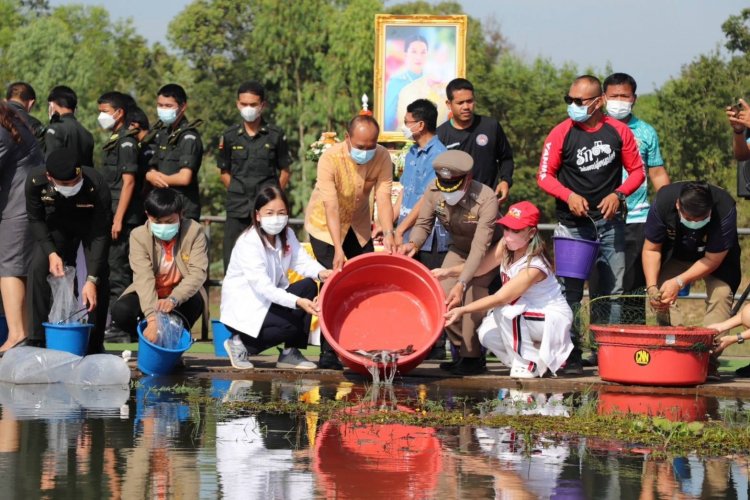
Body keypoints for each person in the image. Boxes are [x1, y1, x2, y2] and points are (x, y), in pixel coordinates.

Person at [537, 74, 645, 374]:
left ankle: (606, 353)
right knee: (569, 292)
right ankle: (570, 353)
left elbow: (637, 172)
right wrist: (568, 194)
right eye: (568, 100)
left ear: (598, 102)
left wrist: (619, 194)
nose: (572, 105)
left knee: (613, 290)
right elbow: (544, 176)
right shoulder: (561, 133)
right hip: (573, 227)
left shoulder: (619, 132)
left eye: (579, 101)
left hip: (611, 224)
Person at [441, 201, 573, 378]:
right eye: (507, 228)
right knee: (487, 334)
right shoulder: (506, 245)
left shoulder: (535, 264)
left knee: (505, 310)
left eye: (516, 230)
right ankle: (534, 362)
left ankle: (528, 364)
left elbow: (501, 297)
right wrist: (447, 272)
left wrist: (462, 310)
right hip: (528, 315)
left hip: (550, 317)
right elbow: (480, 268)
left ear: (531, 232)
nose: (509, 235)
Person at [304, 114, 395, 369]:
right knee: (333, 283)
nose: (366, 151)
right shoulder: (329, 158)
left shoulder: (382, 156)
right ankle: (328, 353)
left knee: (361, 284)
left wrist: (388, 232)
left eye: (371, 145)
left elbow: (384, 196)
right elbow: (331, 206)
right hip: (325, 228)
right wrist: (338, 248)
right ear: (347, 138)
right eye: (360, 146)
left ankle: (358, 347)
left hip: (359, 226)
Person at [399, 150, 500, 376]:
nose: (448, 192)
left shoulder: (486, 197)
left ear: (468, 179)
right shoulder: (434, 190)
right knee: (442, 298)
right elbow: (424, 223)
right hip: (459, 249)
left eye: (454, 185)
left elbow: (479, 248)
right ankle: (460, 350)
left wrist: (462, 282)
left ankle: (473, 358)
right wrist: (413, 245)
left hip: (489, 252)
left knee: (473, 293)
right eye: (444, 184)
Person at [221, 186, 332, 370]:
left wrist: (322, 273)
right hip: (248, 308)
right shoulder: (249, 243)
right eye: (269, 213)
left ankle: (290, 353)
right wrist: (297, 302)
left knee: (309, 286)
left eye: (281, 213)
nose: (276, 218)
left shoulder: (287, 234)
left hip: (270, 301)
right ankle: (240, 343)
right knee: (291, 326)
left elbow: (301, 261)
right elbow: (264, 288)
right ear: (258, 215)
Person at [25, 148, 111, 353]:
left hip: (90, 225)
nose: (72, 186)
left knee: (100, 273)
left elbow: (101, 234)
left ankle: (94, 343)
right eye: (65, 184)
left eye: (75, 181)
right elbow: (35, 219)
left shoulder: (96, 184)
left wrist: (91, 279)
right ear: (49, 177)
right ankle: (37, 339)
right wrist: (51, 252)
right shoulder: (36, 181)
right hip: (58, 224)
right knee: (38, 266)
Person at [601, 72, 670, 327]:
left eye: (624, 96)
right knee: (602, 285)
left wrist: (668, 211)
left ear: (634, 99)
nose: (619, 100)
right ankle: (598, 346)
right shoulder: (593, 128)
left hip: (637, 218)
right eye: (614, 96)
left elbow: (657, 172)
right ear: (602, 98)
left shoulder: (645, 132)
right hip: (599, 218)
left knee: (632, 287)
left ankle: (631, 344)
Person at [110, 188, 207, 343]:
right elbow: (143, 277)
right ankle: (147, 338)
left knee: (194, 303)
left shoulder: (194, 232)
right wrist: (152, 318)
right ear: (148, 215)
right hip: (150, 294)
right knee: (121, 311)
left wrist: (173, 299)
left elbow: (197, 273)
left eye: (169, 222)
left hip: (180, 297)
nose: (163, 227)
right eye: (157, 222)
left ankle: (172, 341)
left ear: (181, 214)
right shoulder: (139, 236)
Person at [642, 181, 740, 332]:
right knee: (662, 291)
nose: (695, 223)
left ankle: (709, 346)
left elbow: (712, 260)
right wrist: (652, 287)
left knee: (722, 294)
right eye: (689, 218)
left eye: (701, 219)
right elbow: (651, 250)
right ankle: (674, 338)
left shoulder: (724, 208)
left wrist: (680, 281)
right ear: (677, 205)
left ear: (710, 211)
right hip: (676, 253)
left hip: (714, 258)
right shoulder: (663, 201)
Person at [393, 98, 449, 359]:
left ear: (421, 124)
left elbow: (428, 198)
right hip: (406, 233)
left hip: (430, 236)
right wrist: (390, 224)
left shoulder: (439, 155)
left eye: (407, 123)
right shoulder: (413, 151)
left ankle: (435, 345)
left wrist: (402, 225)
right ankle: (414, 340)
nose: (405, 127)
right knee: (410, 287)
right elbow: (404, 191)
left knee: (432, 289)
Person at [218, 81, 293, 270]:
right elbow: (224, 172)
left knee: (269, 259)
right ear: (237, 104)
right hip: (238, 206)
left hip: (267, 211)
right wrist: (237, 190)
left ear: (262, 105)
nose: (248, 108)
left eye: (253, 104)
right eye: (244, 104)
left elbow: (285, 171)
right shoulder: (230, 136)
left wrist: (273, 198)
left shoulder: (275, 135)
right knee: (233, 259)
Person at [97, 92, 147, 328]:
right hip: (112, 213)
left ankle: (120, 326)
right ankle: (113, 323)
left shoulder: (126, 141)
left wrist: (118, 219)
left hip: (123, 218)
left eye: (105, 111)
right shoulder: (116, 139)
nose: (101, 115)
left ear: (119, 112)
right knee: (110, 270)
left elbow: (128, 182)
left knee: (119, 273)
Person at [0, 102, 44, 353]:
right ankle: (23, 333)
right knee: (18, 268)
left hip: (18, 206)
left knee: (10, 268)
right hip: (24, 202)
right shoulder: (11, 119)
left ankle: (17, 334)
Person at [437, 78, 515, 203]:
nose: (466, 107)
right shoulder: (441, 135)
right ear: (448, 104)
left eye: (469, 101)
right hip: (454, 204)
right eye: (460, 103)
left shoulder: (491, 126)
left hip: (488, 201)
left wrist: (505, 181)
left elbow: (506, 158)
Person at [146, 84, 203, 221]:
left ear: (183, 107)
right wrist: (149, 174)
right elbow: (151, 164)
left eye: (168, 106)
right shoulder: (162, 134)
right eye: (160, 105)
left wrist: (157, 179)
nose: (163, 109)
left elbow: (184, 178)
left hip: (183, 209)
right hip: (161, 206)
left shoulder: (189, 137)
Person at [384, 35, 448, 131]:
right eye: (414, 52)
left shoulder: (434, 81)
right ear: (405, 54)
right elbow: (388, 119)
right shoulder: (396, 82)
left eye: (423, 52)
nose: (419, 57)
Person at [45, 86, 94, 166]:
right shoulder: (87, 134)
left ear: (52, 105)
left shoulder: (56, 128)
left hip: (60, 177)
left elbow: (51, 163)